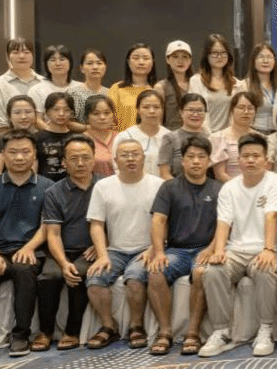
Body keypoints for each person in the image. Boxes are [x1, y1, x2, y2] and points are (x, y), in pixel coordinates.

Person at [197, 134, 277, 357]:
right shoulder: (229, 188)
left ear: (266, 159)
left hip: (263, 248)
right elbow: (223, 223)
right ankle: (221, 332)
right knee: (213, 270)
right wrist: (219, 251)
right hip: (235, 249)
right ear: (238, 160)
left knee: (265, 268)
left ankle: (266, 330)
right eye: (245, 156)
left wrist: (268, 249)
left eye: (256, 156)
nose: (250, 160)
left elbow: (271, 216)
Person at [0, 129, 54, 357]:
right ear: (3, 155)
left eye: (25, 152)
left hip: (30, 251)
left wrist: (29, 247)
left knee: (24, 272)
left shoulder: (47, 186)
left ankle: (21, 336)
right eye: (13, 152)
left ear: (35, 154)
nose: (19, 157)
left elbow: (47, 226)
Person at [138, 136, 221, 356]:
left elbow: (225, 225)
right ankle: (165, 332)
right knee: (156, 271)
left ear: (209, 161)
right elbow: (158, 220)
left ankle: (192, 333)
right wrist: (159, 252)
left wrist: (211, 248)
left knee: (201, 273)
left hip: (205, 249)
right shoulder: (169, 187)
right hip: (178, 250)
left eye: (201, 157)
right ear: (182, 161)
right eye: (190, 157)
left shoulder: (219, 189)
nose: (196, 161)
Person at [85, 137, 164, 350]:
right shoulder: (103, 186)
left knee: (135, 278)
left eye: (135, 154)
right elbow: (96, 225)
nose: (130, 159)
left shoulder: (159, 185)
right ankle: (108, 326)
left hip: (146, 249)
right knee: (95, 278)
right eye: (125, 155)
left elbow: (164, 222)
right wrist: (102, 255)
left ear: (144, 158)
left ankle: (136, 326)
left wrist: (154, 248)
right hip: (115, 250)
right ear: (115, 160)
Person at [33, 134, 100, 352]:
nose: (80, 163)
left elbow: (113, 223)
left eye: (85, 157)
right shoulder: (54, 192)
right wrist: (62, 263)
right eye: (73, 158)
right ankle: (45, 332)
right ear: (63, 162)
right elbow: (52, 233)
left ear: (94, 159)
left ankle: (72, 331)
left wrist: (100, 246)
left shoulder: (105, 186)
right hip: (61, 250)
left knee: (78, 274)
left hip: (91, 251)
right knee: (49, 276)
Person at [0, 38, 47, 132]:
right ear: (7, 57)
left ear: (33, 55)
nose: (21, 56)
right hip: (10, 138)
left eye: (26, 52)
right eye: (15, 52)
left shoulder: (43, 82)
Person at [189, 33, 241, 133]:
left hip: (229, 137)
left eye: (223, 52)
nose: (219, 56)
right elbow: (194, 112)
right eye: (215, 53)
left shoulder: (236, 84)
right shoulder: (196, 81)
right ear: (207, 55)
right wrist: (210, 137)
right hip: (204, 135)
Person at [114, 89, 170, 177]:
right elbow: (117, 168)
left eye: (156, 107)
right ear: (138, 110)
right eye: (146, 107)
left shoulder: (169, 136)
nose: (152, 111)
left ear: (162, 110)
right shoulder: (125, 137)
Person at [29, 44, 86, 131]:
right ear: (46, 64)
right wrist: (54, 131)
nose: (58, 63)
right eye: (52, 60)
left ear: (70, 62)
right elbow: (36, 119)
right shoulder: (36, 90)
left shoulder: (82, 88)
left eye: (62, 59)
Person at [158, 92, 210, 180]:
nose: (195, 114)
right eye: (191, 110)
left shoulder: (210, 138)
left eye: (200, 110)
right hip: (176, 186)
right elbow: (164, 173)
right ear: (181, 112)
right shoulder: (170, 138)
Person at [211, 91, 260, 183]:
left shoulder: (261, 138)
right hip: (229, 187)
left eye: (250, 108)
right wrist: (240, 188)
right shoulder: (219, 137)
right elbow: (220, 174)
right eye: (241, 108)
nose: (246, 112)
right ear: (232, 110)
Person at [108, 42, 157, 132]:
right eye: (136, 58)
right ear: (128, 62)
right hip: (122, 139)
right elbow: (108, 120)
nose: (141, 62)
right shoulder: (117, 89)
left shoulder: (157, 90)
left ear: (153, 62)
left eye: (146, 58)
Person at [0, 95, 39, 177]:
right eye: (17, 113)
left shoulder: (40, 138)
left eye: (28, 112)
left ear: (35, 114)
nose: (23, 117)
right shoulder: (2, 139)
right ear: (9, 116)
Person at [33, 91, 75, 182]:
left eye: (66, 110)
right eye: (56, 109)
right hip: (44, 186)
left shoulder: (77, 139)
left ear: (71, 113)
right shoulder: (36, 138)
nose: (61, 114)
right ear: (47, 112)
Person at [155, 40, 194, 131]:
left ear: (190, 60)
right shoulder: (161, 87)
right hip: (171, 136)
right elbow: (157, 121)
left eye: (185, 57)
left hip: (196, 136)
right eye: (175, 56)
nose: (180, 61)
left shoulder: (198, 84)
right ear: (167, 60)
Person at [240, 42, 277, 135]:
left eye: (269, 57)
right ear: (254, 61)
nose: (265, 61)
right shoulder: (244, 86)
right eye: (261, 57)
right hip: (254, 133)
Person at [80, 94, 118, 177]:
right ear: (87, 117)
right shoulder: (81, 141)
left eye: (107, 113)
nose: (102, 117)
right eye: (96, 113)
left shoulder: (122, 137)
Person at [68, 48, 109, 125]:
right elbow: (68, 122)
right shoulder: (73, 93)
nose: (95, 67)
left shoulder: (111, 93)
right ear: (81, 68)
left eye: (99, 63)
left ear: (105, 67)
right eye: (90, 63)